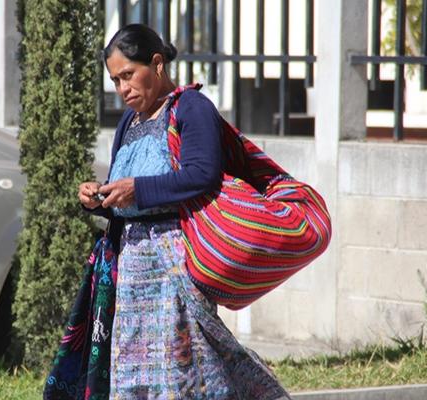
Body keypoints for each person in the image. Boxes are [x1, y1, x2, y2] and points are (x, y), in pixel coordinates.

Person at [79, 24, 290, 399]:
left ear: (157, 65)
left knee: (189, 368)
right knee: (133, 372)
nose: (122, 88)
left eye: (129, 75)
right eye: (115, 80)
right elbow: (127, 200)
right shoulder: (128, 122)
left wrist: (136, 189)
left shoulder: (190, 108)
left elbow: (202, 176)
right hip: (132, 271)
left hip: (176, 264)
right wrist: (101, 200)